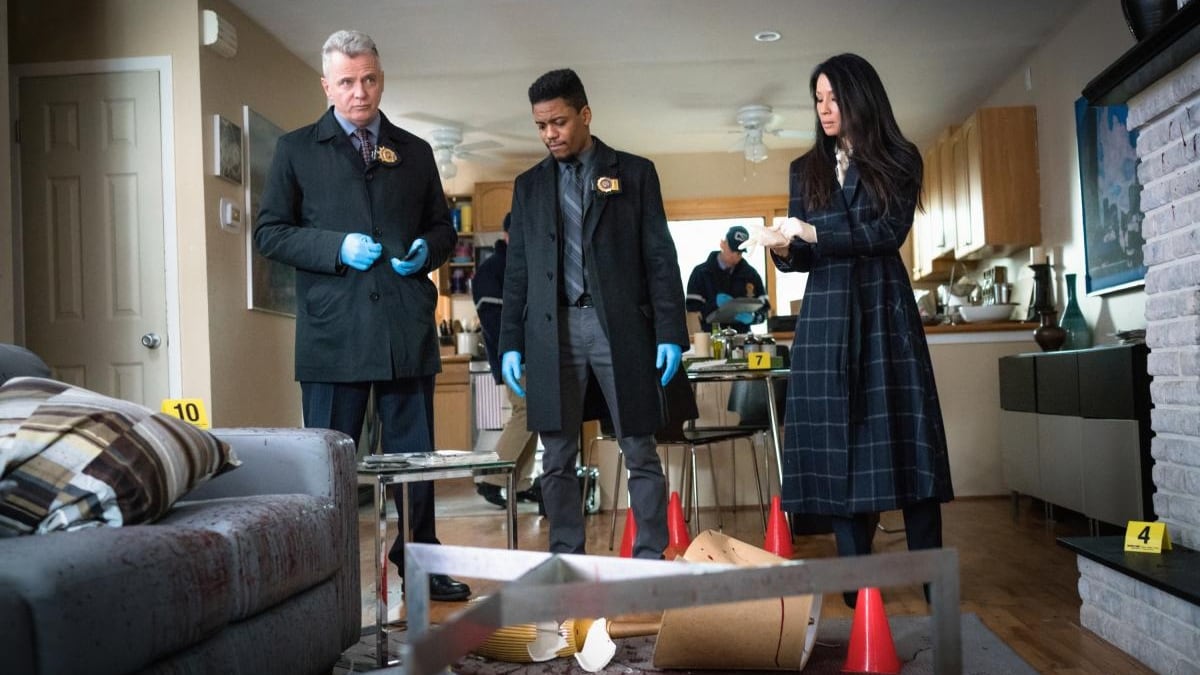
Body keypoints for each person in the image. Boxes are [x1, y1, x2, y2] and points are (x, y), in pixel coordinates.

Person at [253, 29, 470, 602]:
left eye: (368, 78)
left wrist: (428, 250)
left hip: (404, 329)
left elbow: (442, 228)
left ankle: (419, 561)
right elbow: (269, 233)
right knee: (328, 464)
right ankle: (323, 571)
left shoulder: (415, 151)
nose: (359, 91)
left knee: (415, 461)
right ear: (326, 86)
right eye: (346, 81)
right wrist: (335, 247)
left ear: (381, 79)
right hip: (333, 336)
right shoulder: (296, 149)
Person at [765, 53, 953, 606]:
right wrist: (784, 249)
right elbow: (802, 258)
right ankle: (856, 585)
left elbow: (887, 233)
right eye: (818, 99)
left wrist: (813, 233)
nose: (824, 109)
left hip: (882, 311)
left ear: (860, 98)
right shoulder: (805, 169)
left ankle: (931, 578)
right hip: (825, 317)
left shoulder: (899, 158)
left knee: (908, 446)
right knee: (835, 449)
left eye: (834, 98)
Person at [497, 68, 689, 559]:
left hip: (619, 329)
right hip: (553, 332)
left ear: (584, 114)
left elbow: (660, 258)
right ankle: (567, 558)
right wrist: (510, 342)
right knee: (557, 455)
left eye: (558, 122)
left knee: (639, 448)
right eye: (541, 126)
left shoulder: (635, 173)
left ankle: (649, 557)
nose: (549, 134)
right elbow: (517, 271)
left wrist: (670, 331)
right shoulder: (528, 186)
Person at [471, 213, 542, 509]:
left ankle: (519, 482)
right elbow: (493, 320)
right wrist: (514, 351)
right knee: (527, 412)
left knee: (533, 415)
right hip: (516, 357)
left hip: (531, 355)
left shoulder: (521, 266)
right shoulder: (492, 270)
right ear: (508, 236)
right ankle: (491, 477)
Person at [685, 225, 770, 334]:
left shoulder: (751, 275)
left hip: (742, 337)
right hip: (710, 336)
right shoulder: (701, 273)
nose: (735, 256)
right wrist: (714, 304)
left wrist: (754, 317)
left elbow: (765, 310)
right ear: (722, 244)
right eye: (732, 250)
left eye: (739, 253)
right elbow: (692, 311)